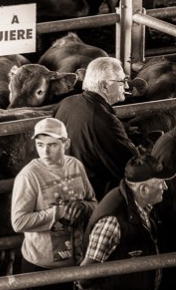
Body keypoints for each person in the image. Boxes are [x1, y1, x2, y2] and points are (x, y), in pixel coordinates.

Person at [12, 117, 97, 290]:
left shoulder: (75, 165)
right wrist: (57, 213)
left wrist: (83, 207)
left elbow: (93, 202)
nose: (45, 152)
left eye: (52, 145)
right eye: (40, 145)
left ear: (65, 144)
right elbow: (18, 222)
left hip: (76, 261)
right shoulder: (29, 176)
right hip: (42, 266)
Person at [79, 154, 172, 290]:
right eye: (161, 183)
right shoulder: (112, 222)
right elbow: (84, 277)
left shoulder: (142, 204)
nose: (165, 187)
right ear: (143, 189)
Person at [55, 57, 138, 200]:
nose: (126, 87)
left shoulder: (67, 103)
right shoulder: (103, 120)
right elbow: (130, 166)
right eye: (121, 82)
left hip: (65, 189)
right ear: (105, 86)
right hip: (95, 195)